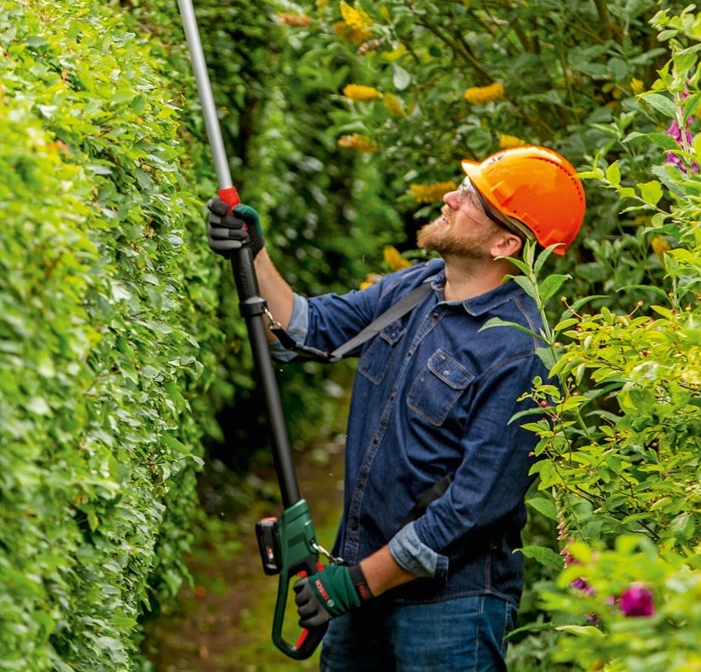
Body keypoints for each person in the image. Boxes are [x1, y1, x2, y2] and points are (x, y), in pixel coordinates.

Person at [206, 145, 586, 671]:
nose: (451, 198)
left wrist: (357, 583)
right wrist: (253, 255)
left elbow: (472, 508)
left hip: (449, 613)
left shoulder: (520, 350)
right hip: (356, 587)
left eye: (472, 199)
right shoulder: (418, 287)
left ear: (506, 242)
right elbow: (308, 329)